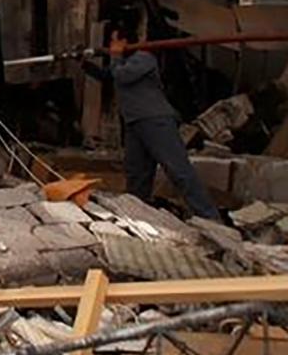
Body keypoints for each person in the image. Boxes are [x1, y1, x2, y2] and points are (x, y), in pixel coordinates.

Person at [82, 18, 221, 221]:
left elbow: (122, 76)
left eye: (115, 42)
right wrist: (84, 64)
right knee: (137, 174)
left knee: (178, 170)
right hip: (134, 123)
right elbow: (110, 76)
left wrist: (115, 56)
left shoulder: (144, 58)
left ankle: (210, 217)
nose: (113, 47)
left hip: (155, 120)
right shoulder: (122, 62)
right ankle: (138, 217)